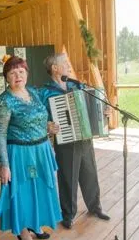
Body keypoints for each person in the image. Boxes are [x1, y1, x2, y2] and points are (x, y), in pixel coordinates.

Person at [0, 56, 62, 240]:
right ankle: (23, 232)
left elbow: (41, 119)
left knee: (39, 189)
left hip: (41, 149)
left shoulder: (33, 92)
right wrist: (4, 164)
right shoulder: (3, 101)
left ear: (27, 73)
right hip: (20, 154)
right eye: (12, 73)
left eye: (21, 72)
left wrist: (49, 127)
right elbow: (0, 135)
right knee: (21, 194)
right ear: (6, 77)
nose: (18, 76)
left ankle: (35, 223)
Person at [39, 53, 110, 229]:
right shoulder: (45, 92)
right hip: (65, 140)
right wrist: (47, 124)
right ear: (55, 68)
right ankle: (68, 214)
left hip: (85, 137)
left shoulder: (76, 85)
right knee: (67, 177)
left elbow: (97, 99)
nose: (69, 66)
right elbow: (40, 116)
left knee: (90, 173)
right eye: (65, 63)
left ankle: (95, 207)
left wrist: (104, 110)